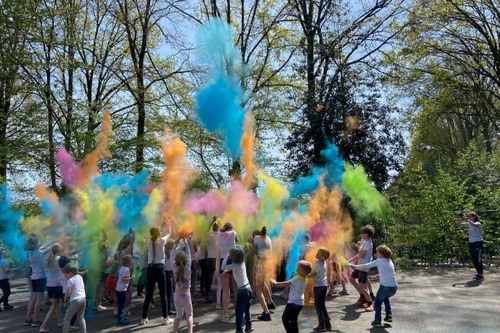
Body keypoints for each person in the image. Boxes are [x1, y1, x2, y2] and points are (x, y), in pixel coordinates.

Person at [350, 245, 397, 328]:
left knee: (378, 303)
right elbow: (389, 271)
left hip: (385, 287)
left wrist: (355, 266)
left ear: (381, 254)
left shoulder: (379, 261)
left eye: (377, 252)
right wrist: (380, 274)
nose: (376, 253)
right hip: (394, 287)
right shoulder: (389, 261)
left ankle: (377, 321)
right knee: (386, 298)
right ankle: (389, 315)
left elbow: (367, 265)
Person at [140, 226, 172, 325]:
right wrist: (168, 223)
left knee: (149, 294)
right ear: (159, 233)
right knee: (163, 294)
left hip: (151, 268)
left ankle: (143, 318)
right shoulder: (162, 241)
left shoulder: (149, 242)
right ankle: (165, 318)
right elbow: (169, 233)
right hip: (160, 268)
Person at [270, 260, 313, 333]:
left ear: (301, 271)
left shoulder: (297, 278)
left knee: (285, 319)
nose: (296, 268)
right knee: (293, 320)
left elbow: (286, 284)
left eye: (298, 268)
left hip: (293, 303)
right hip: (300, 303)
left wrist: (276, 283)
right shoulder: (304, 278)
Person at [221, 245, 253, 333]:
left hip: (242, 291)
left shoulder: (234, 266)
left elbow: (223, 267)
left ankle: (239, 330)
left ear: (233, 257)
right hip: (248, 288)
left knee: (239, 311)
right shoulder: (242, 263)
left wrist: (226, 257)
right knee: (247, 308)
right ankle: (249, 325)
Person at [24, 236, 54, 327]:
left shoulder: (29, 253)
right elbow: (49, 248)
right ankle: (36, 319)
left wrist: (52, 240)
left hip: (34, 278)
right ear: (35, 244)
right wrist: (57, 241)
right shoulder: (40, 253)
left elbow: (43, 247)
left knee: (34, 298)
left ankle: (28, 318)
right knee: (39, 300)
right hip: (41, 278)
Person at [348, 225, 375, 312]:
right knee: (351, 279)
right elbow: (359, 254)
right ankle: (362, 296)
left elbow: (362, 255)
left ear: (366, 234)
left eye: (362, 233)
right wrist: (350, 260)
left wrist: (358, 251)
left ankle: (370, 303)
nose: (361, 234)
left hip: (363, 267)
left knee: (361, 286)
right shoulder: (364, 241)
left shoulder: (368, 243)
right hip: (359, 266)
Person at [39, 243, 65, 332]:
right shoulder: (59, 259)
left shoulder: (48, 258)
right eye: (61, 249)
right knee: (53, 306)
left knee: (56, 303)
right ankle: (43, 325)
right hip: (57, 285)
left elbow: (42, 249)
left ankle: (59, 320)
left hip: (49, 285)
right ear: (58, 251)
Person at [217, 221, 238, 320]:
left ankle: (225, 315)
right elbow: (237, 240)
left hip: (223, 261)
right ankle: (238, 311)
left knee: (225, 290)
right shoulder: (233, 233)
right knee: (236, 288)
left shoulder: (218, 234)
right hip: (232, 260)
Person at [172, 234, 193, 333]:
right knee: (189, 315)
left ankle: (174, 331)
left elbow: (172, 255)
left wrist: (176, 243)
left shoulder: (174, 267)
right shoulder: (188, 267)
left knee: (178, 315)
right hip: (186, 295)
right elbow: (188, 254)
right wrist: (185, 242)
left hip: (177, 295)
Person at [253, 226, 275, 321]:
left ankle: (266, 312)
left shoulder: (256, 238)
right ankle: (270, 302)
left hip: (261, 263)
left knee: (258, 290)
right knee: (263, 282)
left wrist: (251, 244)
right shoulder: (268, 238)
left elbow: (255, 252)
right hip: (268, 263)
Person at [308, 247, 331, 332]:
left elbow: (312, 274)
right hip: (323, 286)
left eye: (319, 253)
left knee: (318, 306)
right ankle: (327, 324)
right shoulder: (323, 262)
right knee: (322, 306)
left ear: (323, 257)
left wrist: (303, 275)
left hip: (319, 287)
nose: (316, 254)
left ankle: (322, 325)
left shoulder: (318, 264)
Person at [456, 212, 484, 280]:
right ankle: (478, 273)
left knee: (478, 259)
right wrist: (458, 218)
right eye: (467, 216)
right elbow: (459, 225)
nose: (468, 217)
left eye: (469, 216)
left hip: (478, 243)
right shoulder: (468, 224)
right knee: (474, 259)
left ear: (474, 216)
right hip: (471, 243)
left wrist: (466, 218)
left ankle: (481, 274)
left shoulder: (478, 223)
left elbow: (474, 225)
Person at [62, 264, 87, 333]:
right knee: (81, 317)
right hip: (83, 298)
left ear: (70, 273)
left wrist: (65, 298)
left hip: (75, 300)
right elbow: (83, 287)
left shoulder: (70, 280)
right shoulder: (79, 277)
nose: (65, 276)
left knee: (67, 319)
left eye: (65, 274)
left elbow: (68, 292)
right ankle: (84, 331)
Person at [116, 255, 134, 325]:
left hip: (118, 289)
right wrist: (131, 278)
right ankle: (120, 319)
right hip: (122, 290)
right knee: (121, 305)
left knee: (120, 305)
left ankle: (121, 317)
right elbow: (123, 279)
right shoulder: (127, 269)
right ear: (128, 262)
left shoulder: (121, 268)